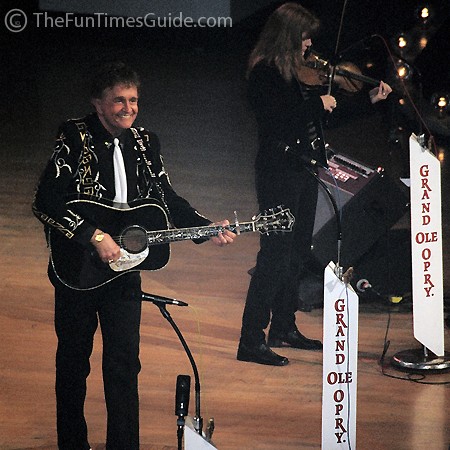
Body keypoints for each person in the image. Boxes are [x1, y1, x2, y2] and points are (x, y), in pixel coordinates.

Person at [32, 61, 236, 449]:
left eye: (134, 100)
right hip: (78, 268)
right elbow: (46, 200)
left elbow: (166, 198)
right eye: (119, 101)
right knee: (74, 362)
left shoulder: (145, 142)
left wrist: (206, 227)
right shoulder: (73, 136)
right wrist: (92, 235)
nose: (128, 108)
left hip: (126, 269)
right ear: (98, 103)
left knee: (124, 364)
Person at [237, 2, 392, 366]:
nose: (309, 44)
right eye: (304, 37)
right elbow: (277, 122)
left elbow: (321, 121)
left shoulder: (295, 72)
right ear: (288, 36)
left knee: (296, 253)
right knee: (273, 256)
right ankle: (250, 339)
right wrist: (314, 105)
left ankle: (283, 327)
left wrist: (369, 102)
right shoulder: (265, 73)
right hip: (278, 172)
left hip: (304, 168)